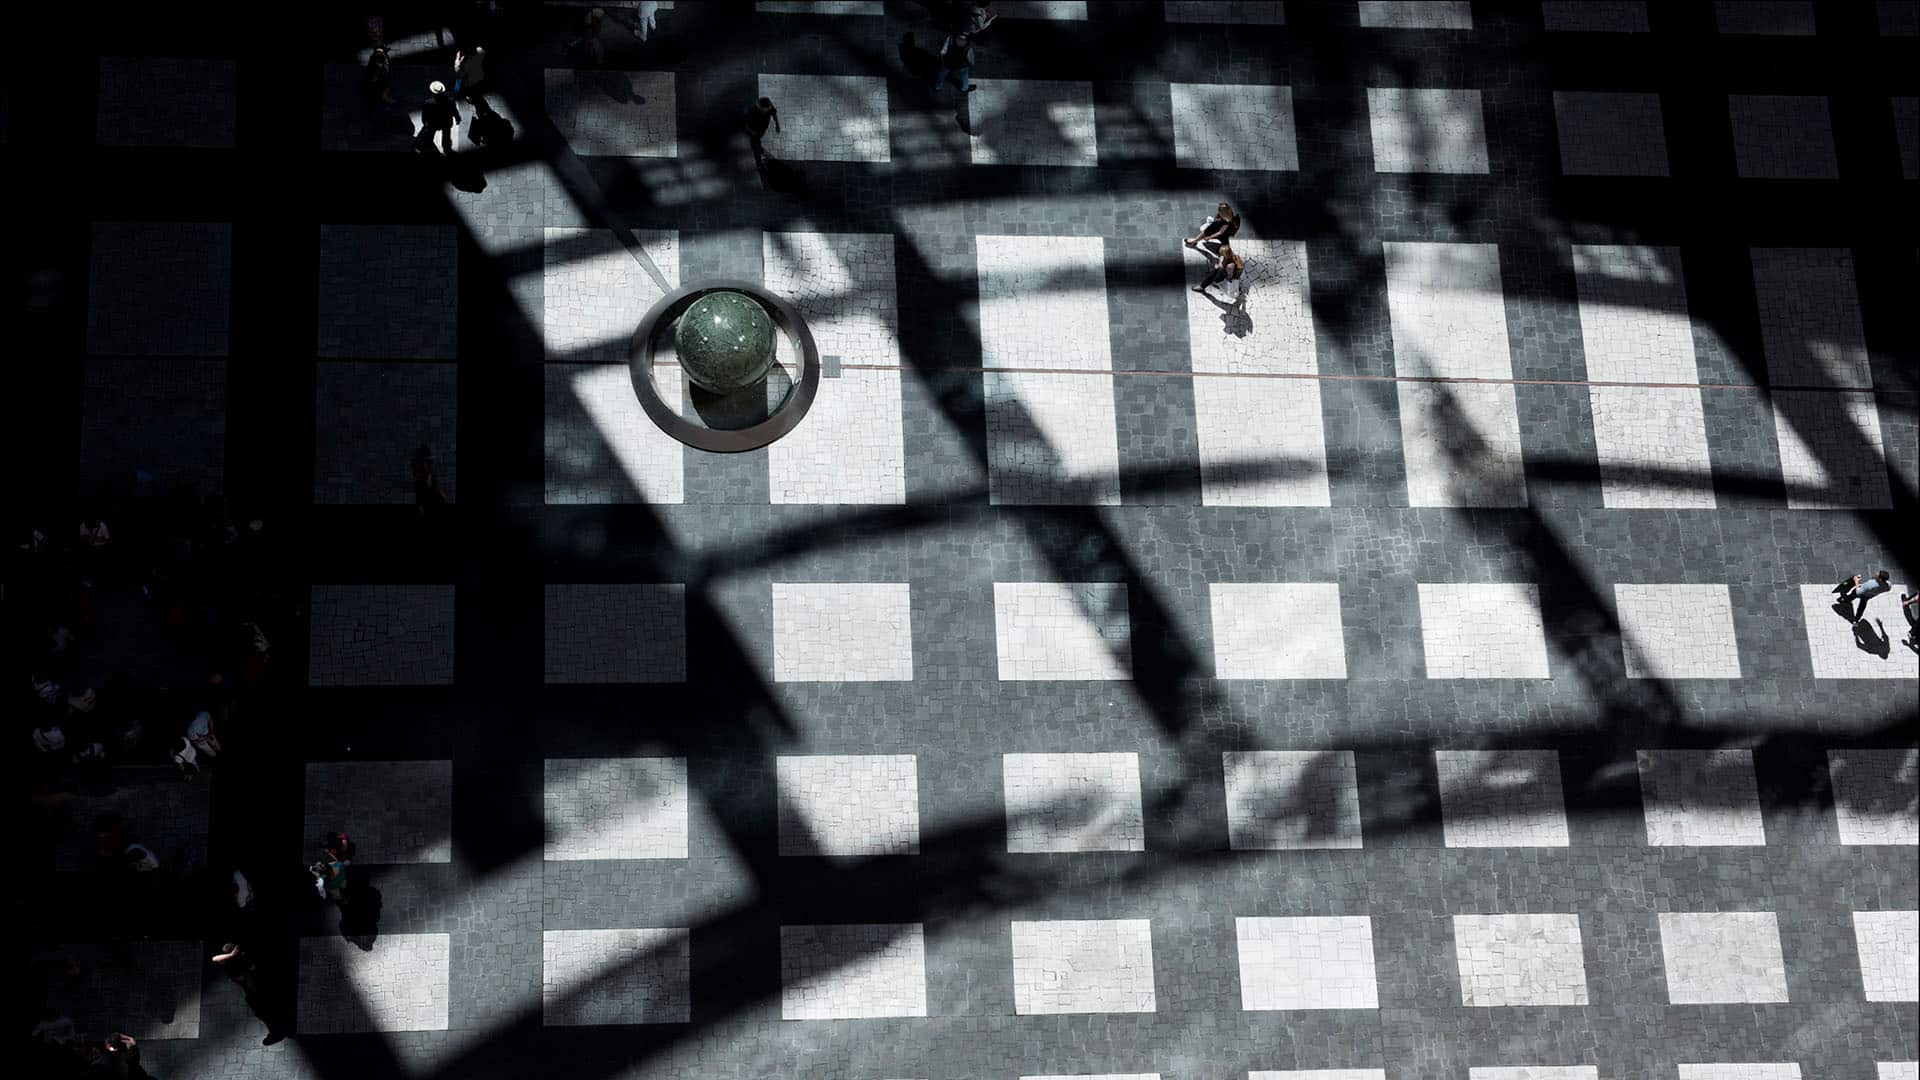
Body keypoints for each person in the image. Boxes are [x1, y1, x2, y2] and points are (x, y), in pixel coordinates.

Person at [419, 82, 460, 154]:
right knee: (446, 135)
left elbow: (425, 115)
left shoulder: (428, 103)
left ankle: (429, 146)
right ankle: (446, 146)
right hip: (446, 122)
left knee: (430, 135)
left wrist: (425, 123)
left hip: (434, 123)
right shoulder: (450, 100)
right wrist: (457, 118)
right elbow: (454, 110)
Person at [743, 97, 781, 169]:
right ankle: (760, 161)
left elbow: (774, 114)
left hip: (762, 129)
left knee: (755, 147)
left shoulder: (769, 108)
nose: (767, 110)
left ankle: (760, 161)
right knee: (755, 146)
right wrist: (752, 132)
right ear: (760, 108)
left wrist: (777, 125)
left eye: (768, 109)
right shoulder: (752, 112)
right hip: (753, 130)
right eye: (764, 109)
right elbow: (746, 124)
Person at [362, 47, 396, 116]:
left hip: (380, 84)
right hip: (378, 85)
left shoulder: (381, 61)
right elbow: (374, 78)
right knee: (379, 97)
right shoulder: (376, 65)